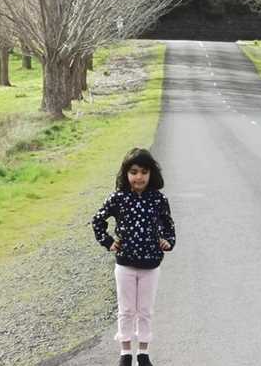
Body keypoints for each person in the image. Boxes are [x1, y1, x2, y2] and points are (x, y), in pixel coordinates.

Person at [92, 148, 176, 366]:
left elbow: (169, 225)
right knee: (127, 310)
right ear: (126, 173)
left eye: (144, 172)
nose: (139, 177)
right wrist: (109, 242)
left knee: (145, 310)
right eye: (134, 171)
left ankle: (143, 353)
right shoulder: (118, 198)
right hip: (125, 265)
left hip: (151, 265)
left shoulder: (158, 199)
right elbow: (98, 220)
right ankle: (126, 352)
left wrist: (168, 241)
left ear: (151, 174)